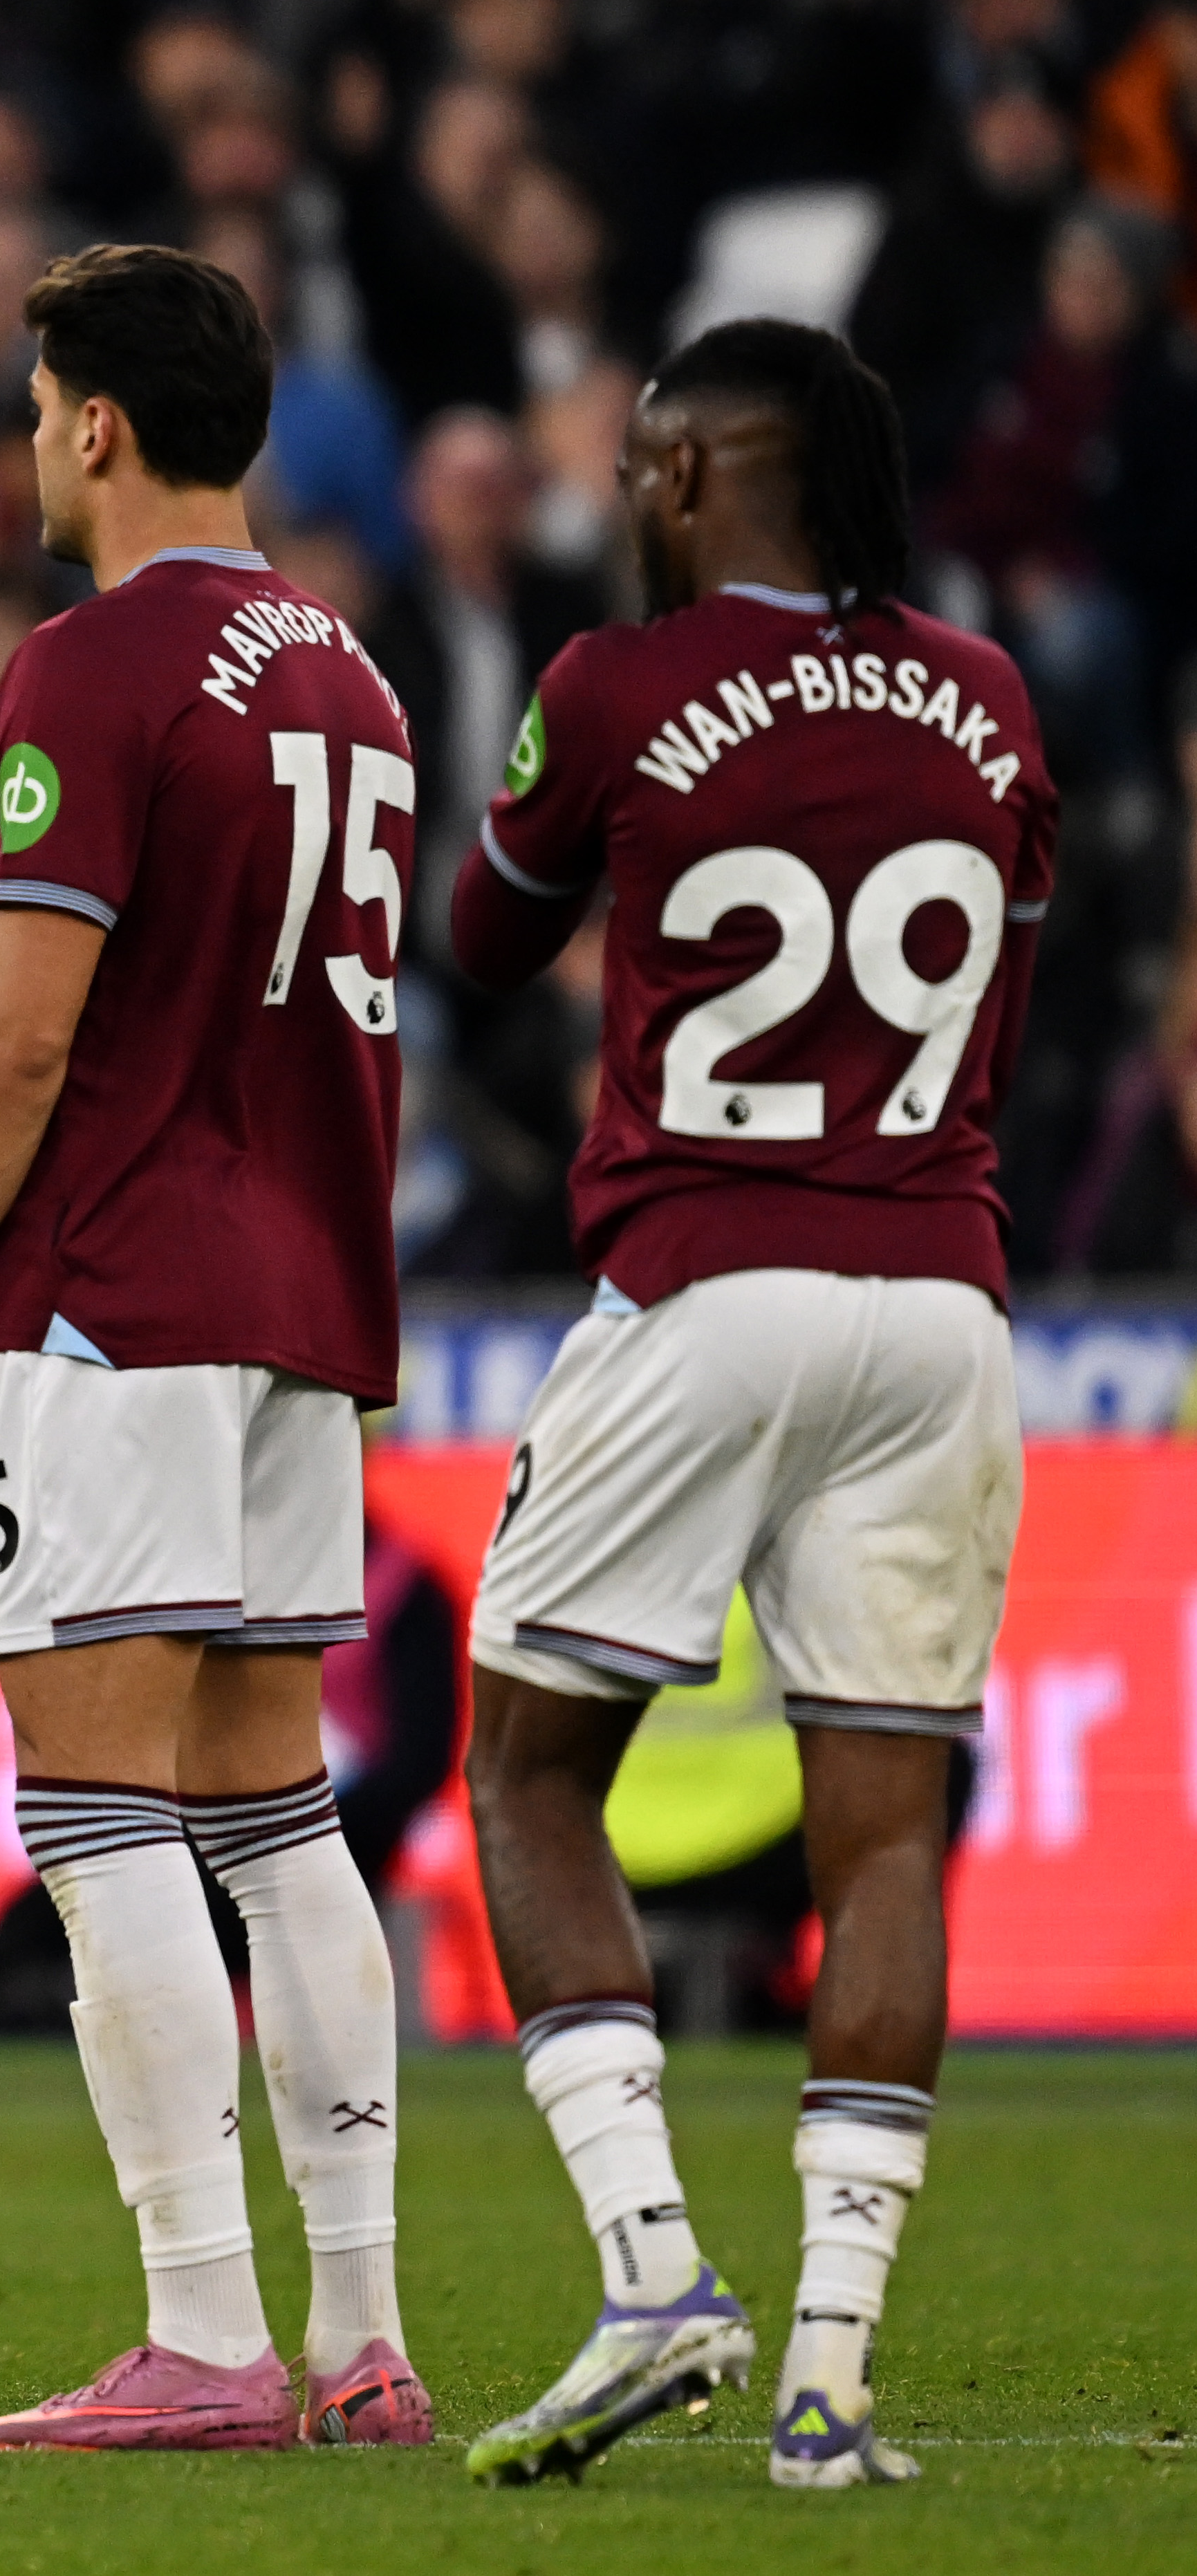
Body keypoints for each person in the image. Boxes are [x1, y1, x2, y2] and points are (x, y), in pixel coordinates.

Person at [449, 321, 1055, 2493]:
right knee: (884, 1833)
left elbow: (489, 932)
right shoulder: (984, 691)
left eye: (641, 463)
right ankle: (829, 2384)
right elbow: (1018, 927)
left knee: (526, 1774)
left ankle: (646, 2272)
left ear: (700, 472)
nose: (625, 493)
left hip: (709, 1276)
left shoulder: (621, 682)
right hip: (946, 1298)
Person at [0, 245, 427, 2452]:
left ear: (91, 422)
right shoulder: (350, 673)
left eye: (31, 404)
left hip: (118, 1294)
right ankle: (360, 2329)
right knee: (281, 1819)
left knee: (97, 1812)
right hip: (302, 1298)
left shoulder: (91, 666)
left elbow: (11, 1036)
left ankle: (201, 2331)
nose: (23, 442)